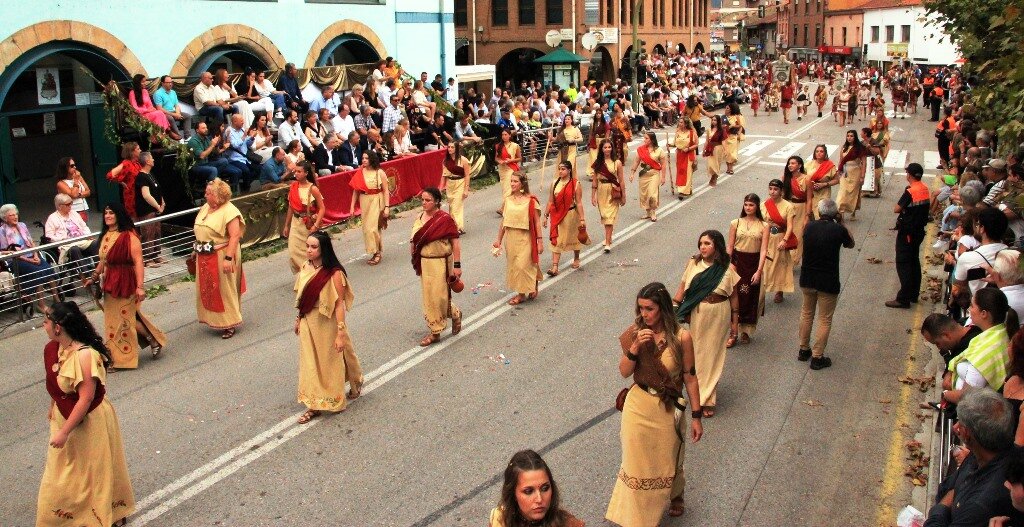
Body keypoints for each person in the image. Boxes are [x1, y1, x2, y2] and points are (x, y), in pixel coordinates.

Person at [606, 282, 703, 525]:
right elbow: (624, 372)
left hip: (667, 407)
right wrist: (636, 347)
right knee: (635, 460)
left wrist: (697, 416)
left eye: (649, 309)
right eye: (640, 309)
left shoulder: (682, 338)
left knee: (668, 458)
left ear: (663, 308)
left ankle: (676, 494)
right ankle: (639, 516)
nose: (644, 314)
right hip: (638, 405)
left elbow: (690, 378)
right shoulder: (635, 333)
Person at [36, 301, 134, 527]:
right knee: (62, 472)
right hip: (65, 417)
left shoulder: (84, 356)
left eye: (46, 321)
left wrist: (63, 432)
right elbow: (56, 383)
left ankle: (109, 512)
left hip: (90, 420)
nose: (43, 325)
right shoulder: (53, 349)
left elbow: (86, 398)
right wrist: (54, 406)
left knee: (96, 471)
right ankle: (68, 516)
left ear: (58, 327)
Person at [293, 231, 362, 424]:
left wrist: (340, 332)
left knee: (332, 360)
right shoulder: (305, 267)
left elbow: (339, 303)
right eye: (307, 246)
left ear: (324, 249)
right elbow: (302, 296)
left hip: (328, 322)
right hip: (309, 320)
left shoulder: (334, 274)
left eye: (314, 247)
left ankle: (345, 388)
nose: (309, 250)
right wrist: (298, 318)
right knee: (310, 362)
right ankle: (313, 405)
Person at [87, 203, 166, 368]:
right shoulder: (105, 235)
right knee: (113, 319)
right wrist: (94, 277)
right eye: (106, 213)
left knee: (126, 318)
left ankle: (127, 356)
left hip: (125, 281)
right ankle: (122, 353)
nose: (108, 216)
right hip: (110, 282)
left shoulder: (129, 236)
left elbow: (138, 261)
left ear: (119, 215)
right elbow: (103, 260)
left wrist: (140, 286)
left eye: (111, 213)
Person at [926, 388, 1018, 526]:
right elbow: (950, 486)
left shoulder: (979, 505)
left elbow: (950, 493)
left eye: (960, 423)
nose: (955, 427)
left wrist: (943, 506)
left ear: (968, 434)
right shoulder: (980, 453)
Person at [673, 230, 740, 418]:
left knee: (713, 354)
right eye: (701, 243)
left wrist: (735, 323)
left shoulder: (728, 268)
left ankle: (708, 398)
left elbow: (734, 297)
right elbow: (680, 291)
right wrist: (671, 311)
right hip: (698, 314)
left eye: (707, 244)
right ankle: (698, 394)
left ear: (717, 246)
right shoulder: (692, 264)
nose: (702, 247)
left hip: (720, 313)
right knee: (697, 353)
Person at [797, 199, 855, 370]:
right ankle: (817, 356)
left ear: (820, 212)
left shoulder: (809, 227)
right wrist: (842, 221)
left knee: (807, 313)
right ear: (835, 214)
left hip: (807, 277)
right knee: (824, 319)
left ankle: (803, 349)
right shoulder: (838, 230)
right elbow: (851, 244)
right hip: (828, 280)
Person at [410, 187, 464, 346]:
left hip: (441, 262)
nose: (424, 203)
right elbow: (414, 240)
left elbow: (455, 242)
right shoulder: (419, 217)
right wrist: (414, 258)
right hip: (425, 262)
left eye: (428, 200)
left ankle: (435, 332)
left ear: (437, 202)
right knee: (430, 297)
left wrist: (457, 265)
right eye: (422, 200)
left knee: (438, 296)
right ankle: (454, 314)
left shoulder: (445, 219)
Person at [939, 288, 1012, 405]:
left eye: (972, 306)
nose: (969, 309)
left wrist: (945, 394)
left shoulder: (987, 351)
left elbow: (967, 398)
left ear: (984, 314)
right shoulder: (998, 333)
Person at [193, 179, 245, 339]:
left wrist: (228, 258)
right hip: (203, 255)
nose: (205, 195)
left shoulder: (230, 211)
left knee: (224, 290)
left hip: (222, 254)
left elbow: (235, 236)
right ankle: (212, 319)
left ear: (218, 196)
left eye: (208, 193)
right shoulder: (205, 207)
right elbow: (200, 230)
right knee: (207, 288)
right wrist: (195, 249)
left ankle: (230, 322)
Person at [490, 450, 585, 527]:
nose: (539, 499)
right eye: (528, 491)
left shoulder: (568, 524)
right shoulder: (499, 520)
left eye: (545, 488)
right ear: (513, 494)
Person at [882, 163, 931, 308]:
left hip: (907, 232)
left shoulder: (911, 191)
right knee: (914, 262)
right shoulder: (925, 188)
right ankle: (913, 294)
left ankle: (903, 298)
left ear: (909, 175)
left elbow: (897, 208)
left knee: (904, 264)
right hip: (918, 231)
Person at [727, 193, 770, 345]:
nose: (748, 207)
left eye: (751, 205)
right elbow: (730, 247)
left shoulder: (764, 226)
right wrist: (727, 266)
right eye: (746, 204)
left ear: (757, 206)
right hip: (737, 263)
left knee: (751, 297)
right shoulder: (735, 223)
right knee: (735, 297)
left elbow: (764, 250)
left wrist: (759, 271)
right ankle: (733, 333)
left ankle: (746, 331)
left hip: (753, 263)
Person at [494, 172, 542, 306]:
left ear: (522, 184)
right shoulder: (508, 200)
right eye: (511, 181)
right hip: (510, 238)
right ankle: (533, 283)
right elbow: (504, 221)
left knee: (523, 265)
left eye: (515, 181)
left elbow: (537, 222)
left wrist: (540, 241)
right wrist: (498, 240)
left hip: (526, 237)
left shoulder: (531, 200)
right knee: (516, 266)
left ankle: (521, 294)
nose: (512, 184)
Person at [1, 203, 59, 312]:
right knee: (37, 272)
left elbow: (31, 242)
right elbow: (6, 251)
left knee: (48, 269)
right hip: (15, 259)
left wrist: (36, 255)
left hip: (31, 255)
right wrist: (29, 260)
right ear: (5, 218)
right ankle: (41, 305)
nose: (15, 217)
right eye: (11, 215)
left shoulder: (22, 225)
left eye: (16, 214)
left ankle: (57, 300)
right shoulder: (2, 231)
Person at [281, 161, 325, 272]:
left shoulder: (313, 189)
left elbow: (322, 209)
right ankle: (305, 273)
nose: (296, 173)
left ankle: (311, 274)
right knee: (293, 252)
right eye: (295, 171)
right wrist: (286, 225)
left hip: (308, 225)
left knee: (310, 252)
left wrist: (315, 225)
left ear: (306, 173)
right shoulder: (293, 187)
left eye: (299, 171)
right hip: (296, 224)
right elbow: (291, 207)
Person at [543, 161, 586, 275]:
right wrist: (545, 215)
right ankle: (555, 267)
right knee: (556, 240)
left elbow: (579, 203)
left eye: (563, 169)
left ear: (569, 170)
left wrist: (582, 219)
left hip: (571, 215)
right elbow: (550, 201)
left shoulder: (575, 184)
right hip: (557, 215)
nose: (560, 171)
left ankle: (576, 258)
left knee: (575, 237)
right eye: (559, 169)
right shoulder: (554, 183)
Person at [349, 151, 389, 265]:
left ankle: (377, 253)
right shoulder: (360, 172)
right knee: (367, 228)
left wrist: (387, 207)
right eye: (363, 158)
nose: (364, 160)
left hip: (377, 200)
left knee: (373, 228)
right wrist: (352, 207)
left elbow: (386, 190)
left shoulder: (379, 172)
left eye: (367, 158)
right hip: (364, 201)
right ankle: (375, 250)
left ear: (372, 159)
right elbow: (355, 191)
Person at [762, 179, 798, 304]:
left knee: (780, 265)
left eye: (775, 189)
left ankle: (780, 290)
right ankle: (763, 288)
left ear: (781, 191)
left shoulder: (788, 206)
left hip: (780, 238)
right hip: (767, 238)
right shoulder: (763, 205)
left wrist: (784, 240)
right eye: (770, 189)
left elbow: (790, 227)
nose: (772, 192)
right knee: (765, 264)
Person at [45, 194, 94, 282]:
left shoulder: (74, 213)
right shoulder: (52, 218)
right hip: (67, 244)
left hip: (81, 240)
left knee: (95, 243)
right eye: (68, 204)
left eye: (71, 203)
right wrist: (63, 239)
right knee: (74, 249)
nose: (70, 206)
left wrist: (88, 235)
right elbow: (48, 236)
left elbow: (84, 226)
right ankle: (86, 274)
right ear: (60, 206)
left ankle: (100, 271)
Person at [589, 139, 625, 253]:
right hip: (601, 190)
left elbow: (621, 180)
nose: (607, 149)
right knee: (605, 216)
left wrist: (623, 195)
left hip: (613, 190)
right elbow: (594, 181)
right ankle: (609, 236)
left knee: (609, 216)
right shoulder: (598, 163)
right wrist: (593, 196)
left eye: (609, 147)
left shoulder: (617, 163)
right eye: (605, 147)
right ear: (602, 149)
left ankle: (608, 242)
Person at [132, 151, 165, 268]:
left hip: (156, 209)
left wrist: (162, 202)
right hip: (146, 210)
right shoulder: (141, 177)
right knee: (148, 232)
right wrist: (157, 206)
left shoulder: (150, 175)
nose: (153, 160)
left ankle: (156, 255)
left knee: (157, 231)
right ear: (146, 161)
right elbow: (146, 195)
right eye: (151, 158)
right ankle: (147, 258)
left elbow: (157, 190)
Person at [630, 132, 668, 222]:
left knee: (652, 194)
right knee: (644, 194)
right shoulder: (641, 149)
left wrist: (663, 177)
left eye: (646, 138)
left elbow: (663, 164)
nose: (644, 140)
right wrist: (632, 173)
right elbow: (636, 161)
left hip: (654, 174)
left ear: (652, 140)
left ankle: (653, 212)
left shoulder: (659, 150)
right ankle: (648, 212)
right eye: (644, 138)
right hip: (643, 174)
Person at [836, 130, 868, 218]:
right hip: (845, 172)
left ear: (855, 137)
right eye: (848, 136)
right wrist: (839, 171)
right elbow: (841, 160)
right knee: (842, 192)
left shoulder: (859, 148)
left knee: (854, 193)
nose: (849, 138)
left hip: (856, 172)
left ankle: (853, 211)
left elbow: (864, 162)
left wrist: (862, 176)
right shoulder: (844, 147)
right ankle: (840, 211)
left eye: (851, 136)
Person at [106, 141, 142, 217]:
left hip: (139, 193)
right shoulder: (126, 163)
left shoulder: (136, 163)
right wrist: (120, 182)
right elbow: (109, 175)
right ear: (132, 152)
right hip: (131, 195)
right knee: (133, 217)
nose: (140, 151)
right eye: (138, 149)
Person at [441, 141, 471, 233]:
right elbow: (444, 175)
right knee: (451, 206)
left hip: (460, 183)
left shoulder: (463, 160)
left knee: (456, 206)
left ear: (456, 149)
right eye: (449, 147)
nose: (450, 149)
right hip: (450, 184)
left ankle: (457, 227)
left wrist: (466, 189)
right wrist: (440, 188)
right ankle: (454, 226)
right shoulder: (445, 161)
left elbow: (467, 175)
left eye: (452, 147)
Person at [805, 145, 838, 219]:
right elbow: (803, 177)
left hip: (824, 194)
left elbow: (837, 180)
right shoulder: (808, 164)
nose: (819, 153)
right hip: (811, 194)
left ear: (825, 153)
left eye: (821, 151)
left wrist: (824, 184)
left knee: (820, 215)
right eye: (817, 151)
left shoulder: (830, 165)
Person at [153, 75, 190, 140]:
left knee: (187, 116)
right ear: (162, 83)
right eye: (168, 82)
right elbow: (159, 109)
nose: (170, 84)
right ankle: (179, 137)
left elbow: (176, 105)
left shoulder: (173, 92)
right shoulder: (157, 93)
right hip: (164, 114)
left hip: (173, 112)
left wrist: (177, 113)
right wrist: (174, 114)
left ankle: (188, 137)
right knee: (170, 118)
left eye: (171, 82)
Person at [495, 129, 522, 215]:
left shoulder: (515, 146)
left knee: (507, 188)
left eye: (506, 134)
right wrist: (500, 161)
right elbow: (496, 158)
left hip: (511, 168)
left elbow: (519, 158)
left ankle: (503, 208)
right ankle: (514, 203)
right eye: (502, 135)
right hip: (502, 169)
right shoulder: (498, 146)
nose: (504, 136)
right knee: (505, 188)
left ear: (510, 135)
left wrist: (511, 160)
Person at [55, 157, 91, 221]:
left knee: (85, 229)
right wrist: (76, 181)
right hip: (72, 210)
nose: (75, 167)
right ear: (65, 168)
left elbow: (88, 192)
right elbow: (74, 195)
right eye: (71, 166)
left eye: (74, 165)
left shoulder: (79, 177)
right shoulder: (61, 183)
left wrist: (79, 194)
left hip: (84, 208)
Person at [674, 118, 699, 198]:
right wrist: (670, 145)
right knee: (681, 172)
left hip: (688, 154)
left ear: (686, 124)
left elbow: (696, 144)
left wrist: (688, 149)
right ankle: (686, 189)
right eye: (679, 122)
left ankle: (683, 191)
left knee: (687, 172)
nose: (680, 124)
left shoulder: (692, 133)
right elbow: (675, 143)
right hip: (680, 154)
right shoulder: (677, 132)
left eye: (681, 122)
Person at [702, 115, 728, 188]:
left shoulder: (722, 130)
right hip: (710, 149)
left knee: (716, 165)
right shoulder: (709, 130)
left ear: (718, 121)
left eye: (715, 120)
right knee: (710, 165)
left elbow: (723, 141)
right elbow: (707, 141)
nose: (713, 121)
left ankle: (714, 178)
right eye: (712, 120)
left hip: (718, 149)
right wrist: (704, 150)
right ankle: (713, 176)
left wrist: (725, 150)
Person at [723, 103, 746, 174]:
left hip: (733, 137)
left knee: (732, 154)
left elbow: (740, 125)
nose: (726, 109)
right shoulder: (723, 117)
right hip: (725, 137)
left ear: (731, 110)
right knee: (726, 153)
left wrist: (733, 126)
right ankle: (728, 168)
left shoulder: (736, 117)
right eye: (726, 108)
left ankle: (731, 168)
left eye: (727, 108)